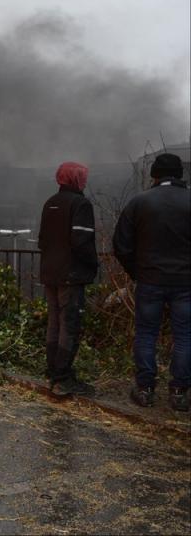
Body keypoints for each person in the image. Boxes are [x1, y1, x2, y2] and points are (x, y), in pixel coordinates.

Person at [113, 153, 191, 412]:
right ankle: (179, 392)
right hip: (185, 283)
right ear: (180, 174)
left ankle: (145, 389)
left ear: (154, 175)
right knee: (185, 336)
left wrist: (137, 271)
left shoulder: (140, 202)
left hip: (150, 280)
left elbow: (121, 244)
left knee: (146, 333)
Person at [37, 161, 99, 397]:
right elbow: (81, 242)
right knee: (70, 324)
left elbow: (43, 240)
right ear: (76, 179)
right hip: (71, 274)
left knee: (54, 322)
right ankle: (63, 378)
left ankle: (52, 371)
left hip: (49, 272)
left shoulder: (50, 202)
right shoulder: (80, 204)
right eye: (83, 177)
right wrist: (93, 265)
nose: (85, 180)